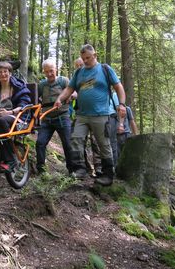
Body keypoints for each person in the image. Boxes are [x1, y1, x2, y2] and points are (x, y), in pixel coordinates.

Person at [54, 44, 127, 186]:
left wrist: (122, 104)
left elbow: (118, 87)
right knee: (76, 139)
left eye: (88, 58)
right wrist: (60, 99)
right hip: (81, 115)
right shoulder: (79, 72)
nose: (85, 61)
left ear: (95, 55)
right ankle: (80, 169)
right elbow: (70, 88)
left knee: (103, 144)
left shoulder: (105, 69)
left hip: (101, 115)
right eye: (83, 58)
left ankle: (107, 174)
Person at [36, 59, 73, 174]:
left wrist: (70, 96)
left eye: (51, 71)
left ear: (56, 69)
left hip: (62, 117)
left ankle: (72, 171)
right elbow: (35, 99)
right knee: (40, 143)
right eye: (46, 72)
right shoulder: (42, 85)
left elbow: (74, 92)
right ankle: (41, 171)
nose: (49, 74)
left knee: (68, 144)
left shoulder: (64, 81)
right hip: (47, 119)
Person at [109, 98, 138, 163]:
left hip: (126, 134)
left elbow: (132, 121)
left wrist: (135, 134)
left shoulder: (127, 109)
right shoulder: (111, 111)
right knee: (116, 154)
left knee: (127, 152)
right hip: (115, 136)